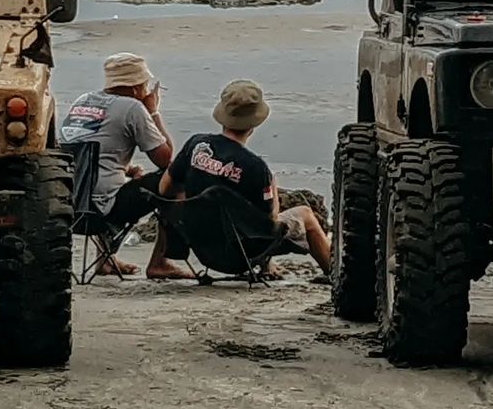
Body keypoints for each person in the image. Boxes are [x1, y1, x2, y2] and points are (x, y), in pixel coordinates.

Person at [158, 79, 331, 277]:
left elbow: (165, 190)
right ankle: (332, 274)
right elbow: (269, 224)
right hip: (238, 256)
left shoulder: (196, 145)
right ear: (253, 124)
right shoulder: (255, 167)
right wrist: (272, 187)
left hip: (200, 247)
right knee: (306, 214)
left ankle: (268, 265)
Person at [60, 52, 192, 279]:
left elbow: (91, 153)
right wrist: (153, 111)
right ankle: (160, 262)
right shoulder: (132, 107)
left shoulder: (84, 101)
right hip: (101, 209)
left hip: (70, 202)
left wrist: (128, 169)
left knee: (114, 180)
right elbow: (165, 159)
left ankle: (105, 261)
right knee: (174, 181)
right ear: (135, 88)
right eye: (144, 85)